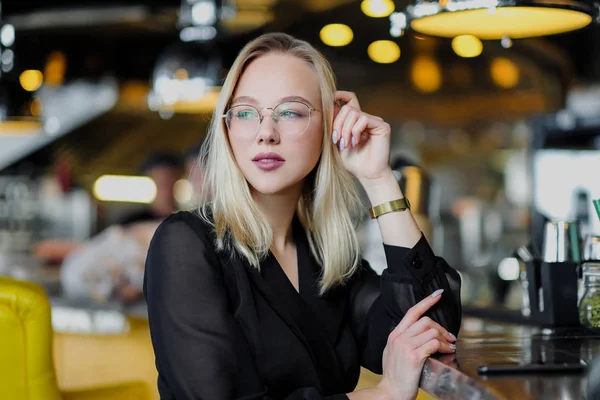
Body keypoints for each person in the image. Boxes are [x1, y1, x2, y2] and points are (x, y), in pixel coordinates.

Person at [144, 33, 462, 400]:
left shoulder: (327, 259)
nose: (266, 133)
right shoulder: (184, 245)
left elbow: (433, 329)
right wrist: (384, 394)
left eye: (291, 112)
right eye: (246, 112)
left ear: (331, 127)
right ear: (227, 128)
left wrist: (378, 178)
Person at [117, 151, 183, 226]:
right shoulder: (132, 222)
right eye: (160, 181)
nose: (165, 188)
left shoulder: (187, 220)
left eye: (168, 180)